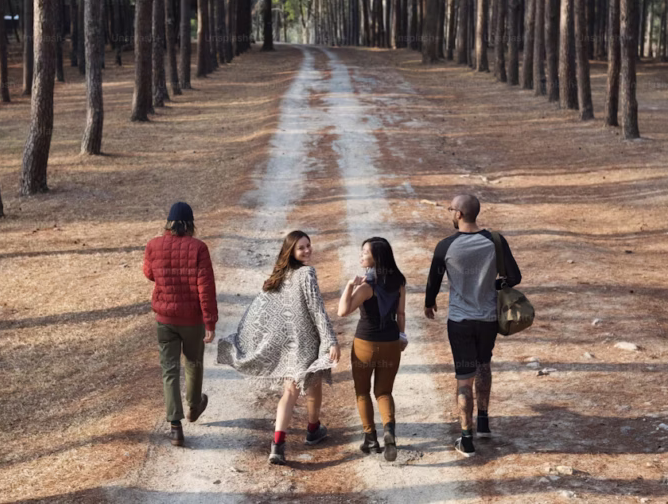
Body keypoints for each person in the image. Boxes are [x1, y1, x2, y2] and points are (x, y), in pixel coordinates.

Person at [217, 230, 340, 465]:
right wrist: (331, 340)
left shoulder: (279, 276)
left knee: (290, 393)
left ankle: (279, 445)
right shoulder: (307, 273)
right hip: (306, 344)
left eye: (308, 245)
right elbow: (317, 310)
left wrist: (261, 337)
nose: (307, 250)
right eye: (301, 247)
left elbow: (262, 311)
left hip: (287, 346)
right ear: (291, 251)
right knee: (311, 386)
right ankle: (312, 430)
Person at [424, 194, 521, 457]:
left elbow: (433, 281)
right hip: (488, 319)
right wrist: (494, 286)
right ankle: (484, 422)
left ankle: (466, 440)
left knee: (463, 379)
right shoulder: (495, 241)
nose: (449, 213)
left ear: (458, 214)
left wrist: (429, 302)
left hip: (460, 321)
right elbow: (515, 276)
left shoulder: (445, 246)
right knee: (484, 365)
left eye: (450, 209)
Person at [143, 202, 218, 447]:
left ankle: (175, 427)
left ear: (169, 222)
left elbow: (149, 273)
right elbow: (205, 288)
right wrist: (210, 320)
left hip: (164, 319)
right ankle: (194, 406)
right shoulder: (199, 248)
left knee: (170, 370)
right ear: (190, 223)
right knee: (194, 362)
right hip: (192, 319)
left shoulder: (153, 245)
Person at [337, 237, 407, 462]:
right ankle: (390, 434)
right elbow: (402, 313)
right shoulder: (398, 282)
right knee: (384, 392)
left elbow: (343, 311)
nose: (361, 255)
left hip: (365, 344)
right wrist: (402, 336)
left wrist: (349, 286)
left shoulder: (367, 287)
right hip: (391, 343)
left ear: (376, 257)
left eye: (365, 252)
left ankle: (370, 438)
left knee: (362, 391)